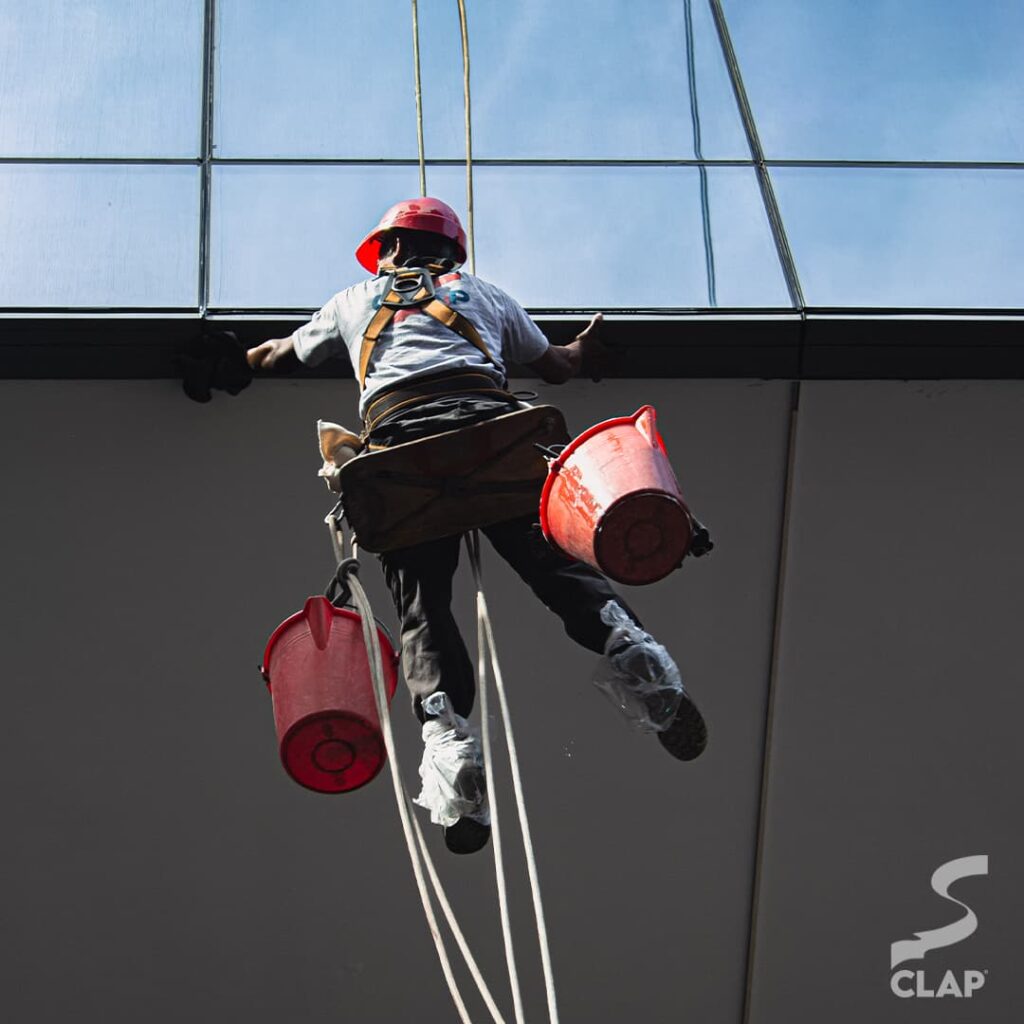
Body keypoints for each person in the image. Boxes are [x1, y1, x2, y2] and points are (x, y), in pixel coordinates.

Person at [247, 198, 707, 854]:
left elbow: (278, 354)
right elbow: (560, 366)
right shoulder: (486, 296)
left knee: (422, 613)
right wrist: (587, 346)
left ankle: (447, 744)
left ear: (395, 248)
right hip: (498, 444)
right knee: (557, 566)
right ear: (449, 251)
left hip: (400, 463)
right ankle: (641, 663)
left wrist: (233, 363)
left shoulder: (352, 301)